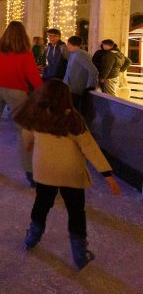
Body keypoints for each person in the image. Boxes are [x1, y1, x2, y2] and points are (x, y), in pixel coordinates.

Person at [13, 79, 121, 270]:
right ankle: (79, 252)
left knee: (42, 203)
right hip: (70, 173)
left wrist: (29, 145)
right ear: (66, 97)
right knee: (76, 210)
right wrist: (107, 174)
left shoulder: (37, 116)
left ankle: (32, 236)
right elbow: (89, 147)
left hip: (45, 170)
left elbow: (26, 136)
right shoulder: (73, 119)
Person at [0, 22, 42, 187]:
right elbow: (31, 74)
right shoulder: (25, 52)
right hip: (16, 91)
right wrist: (41, 90)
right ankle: (30, 171)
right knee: (23, 130)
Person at [63, 36, 98, 112]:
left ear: (69, 44)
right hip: (70, 88)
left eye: (67, 44)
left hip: (76, 89)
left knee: (74, 110)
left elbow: (93, 70)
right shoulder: (73, 54)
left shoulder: (81, 54)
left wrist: (90, 86)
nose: (67, 46)